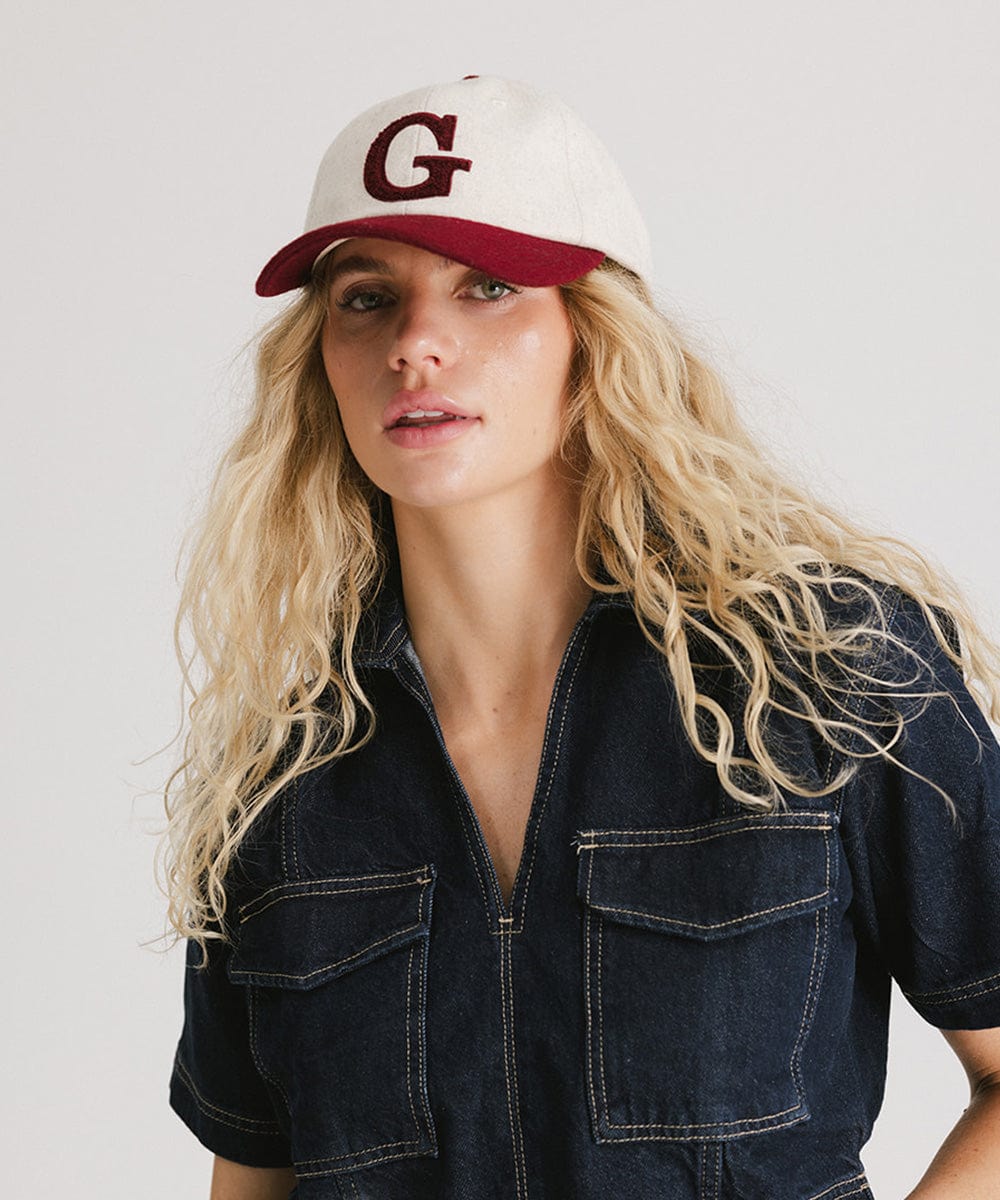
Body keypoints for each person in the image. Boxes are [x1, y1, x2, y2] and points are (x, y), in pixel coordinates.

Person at [162, 76, 1000, 1200]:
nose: (417, 342)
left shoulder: (826, 672)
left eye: (489, 286)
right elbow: (254, 1178)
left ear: (594, 336)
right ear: (320, 358)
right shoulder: (287, 778)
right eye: (366, 298)